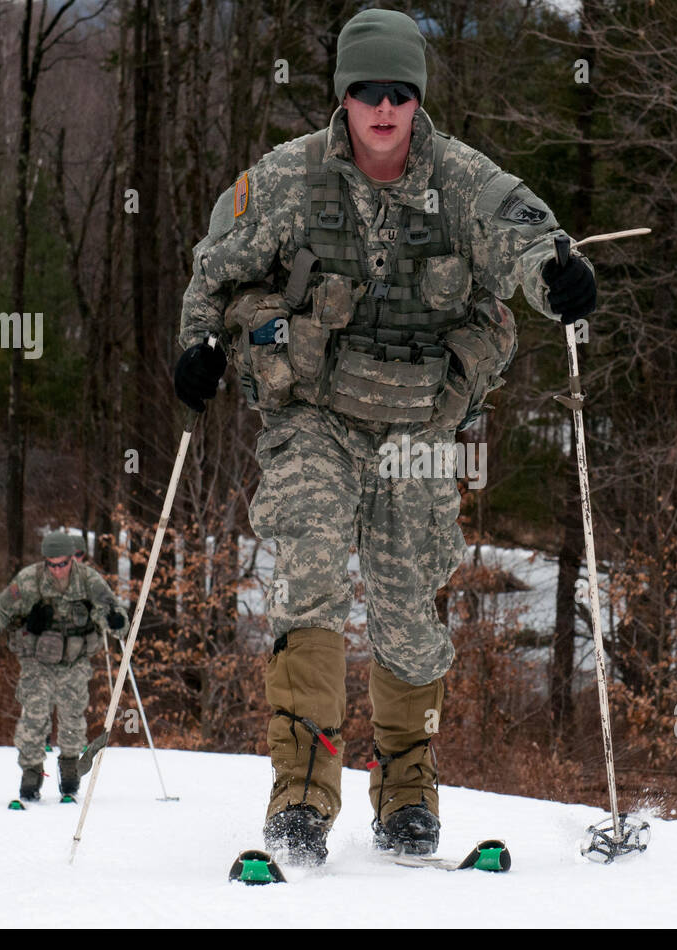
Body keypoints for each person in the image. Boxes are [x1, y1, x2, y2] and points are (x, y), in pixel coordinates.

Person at [173, 8, 596, 864]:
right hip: (316, 414)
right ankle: (299, 796)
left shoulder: (461, 179)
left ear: (417, 100)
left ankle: (407, 792)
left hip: (418, 419)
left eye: (400, 92)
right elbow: (212, 272)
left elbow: (526, 233)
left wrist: (556, 273)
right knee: (312, 575)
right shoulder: (286, 179)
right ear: (343, 95)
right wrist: (198, 350)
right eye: (367, 90)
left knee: (409, 609)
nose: (383, 107)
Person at [0, 532, 127, 801]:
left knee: (72, 714)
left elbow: (113, 610)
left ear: (72, 559)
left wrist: (115, 620)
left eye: (62, 564)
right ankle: (31, 771)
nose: (56, 570)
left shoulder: (89, 580)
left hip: (75, 659)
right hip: (37, 659)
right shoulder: (29, 579)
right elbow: (2, 606)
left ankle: (69, 766)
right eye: (51, 564)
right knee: (34, 714)